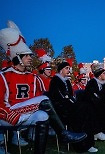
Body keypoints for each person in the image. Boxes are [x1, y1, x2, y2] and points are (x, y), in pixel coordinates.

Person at [0, 20, 86, 154]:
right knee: (43, 100)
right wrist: (13, 116)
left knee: (42, 115)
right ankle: (63, 133)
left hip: (26, 113)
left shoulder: (32, 77)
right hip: (7, 116)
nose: (30, 57)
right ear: (17, 57)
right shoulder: (3, 76)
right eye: (26, 55)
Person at [48, 61, 96, 153]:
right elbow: (59, 97)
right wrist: (72, 103)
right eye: (66, 68)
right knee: (82, 110)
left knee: (87, 108)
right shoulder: (55, 80)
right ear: (61, 70)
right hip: (61, 109)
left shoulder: (66, 81)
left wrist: (73, 102)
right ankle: (81, 145)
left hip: (69, 105)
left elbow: (70, 95)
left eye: (69, 68)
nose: (69, 70)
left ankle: (89, 142)